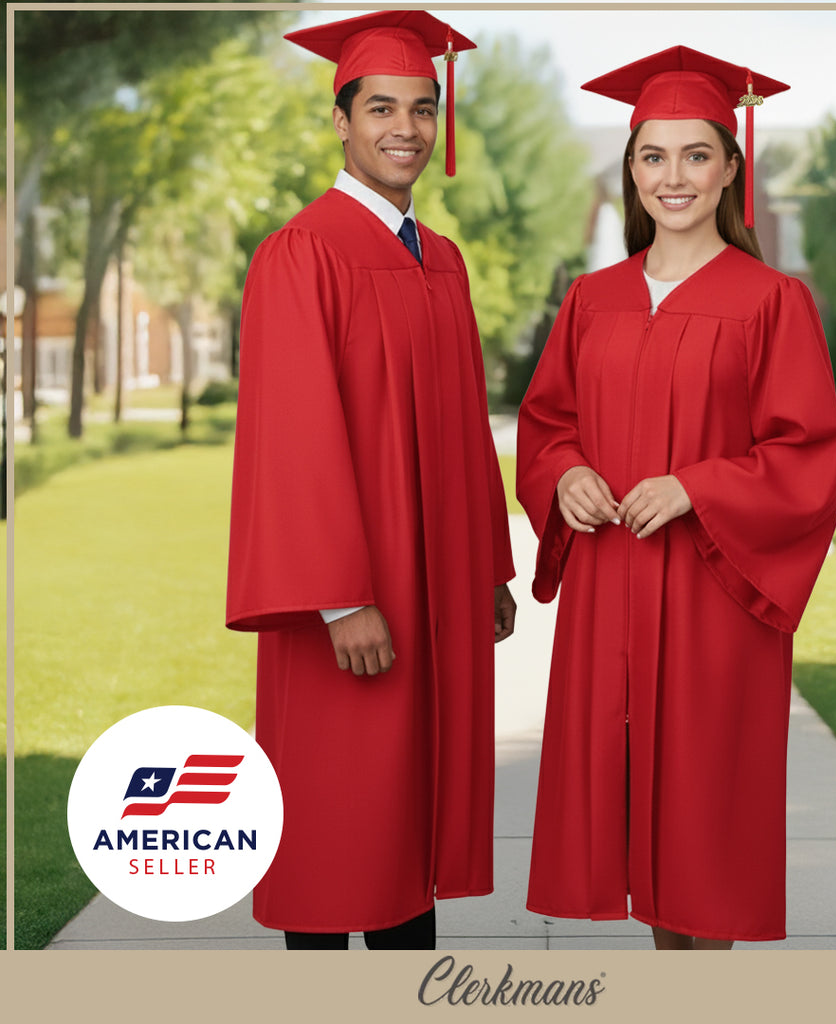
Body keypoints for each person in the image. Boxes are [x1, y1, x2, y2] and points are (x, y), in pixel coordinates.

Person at [516, 45, 836, 950]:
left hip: (714, 597)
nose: (674, 177)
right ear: (630, 169)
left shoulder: (772, 300)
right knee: (628, 814)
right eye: (653, 157)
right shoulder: (592, 300)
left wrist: (696, 487)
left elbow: (808, 450)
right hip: (609, 592)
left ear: (731, 165)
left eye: (696, 155)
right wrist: (569, 474)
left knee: (705, 814)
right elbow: (547, 426)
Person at [226, 11, 516, 951]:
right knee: (336, 820)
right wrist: (337, 599)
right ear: (341, 121)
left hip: (434, 593)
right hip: (353, 599)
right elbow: (292, 440)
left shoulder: (444, 263)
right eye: (382, 106)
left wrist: (489, 567)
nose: (407, 127)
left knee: (408, 827)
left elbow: (468, 428)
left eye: (423, 109)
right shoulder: (301, 252)